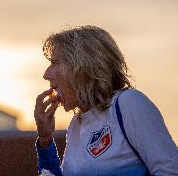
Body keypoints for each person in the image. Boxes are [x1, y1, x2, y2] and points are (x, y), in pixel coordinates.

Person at [34, 26, 178, 176]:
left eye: (55, 63)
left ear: (82, 66)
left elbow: (171, 170)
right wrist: (45, 140)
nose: (46, 74)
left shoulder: (129, 103)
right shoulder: (76, 124)